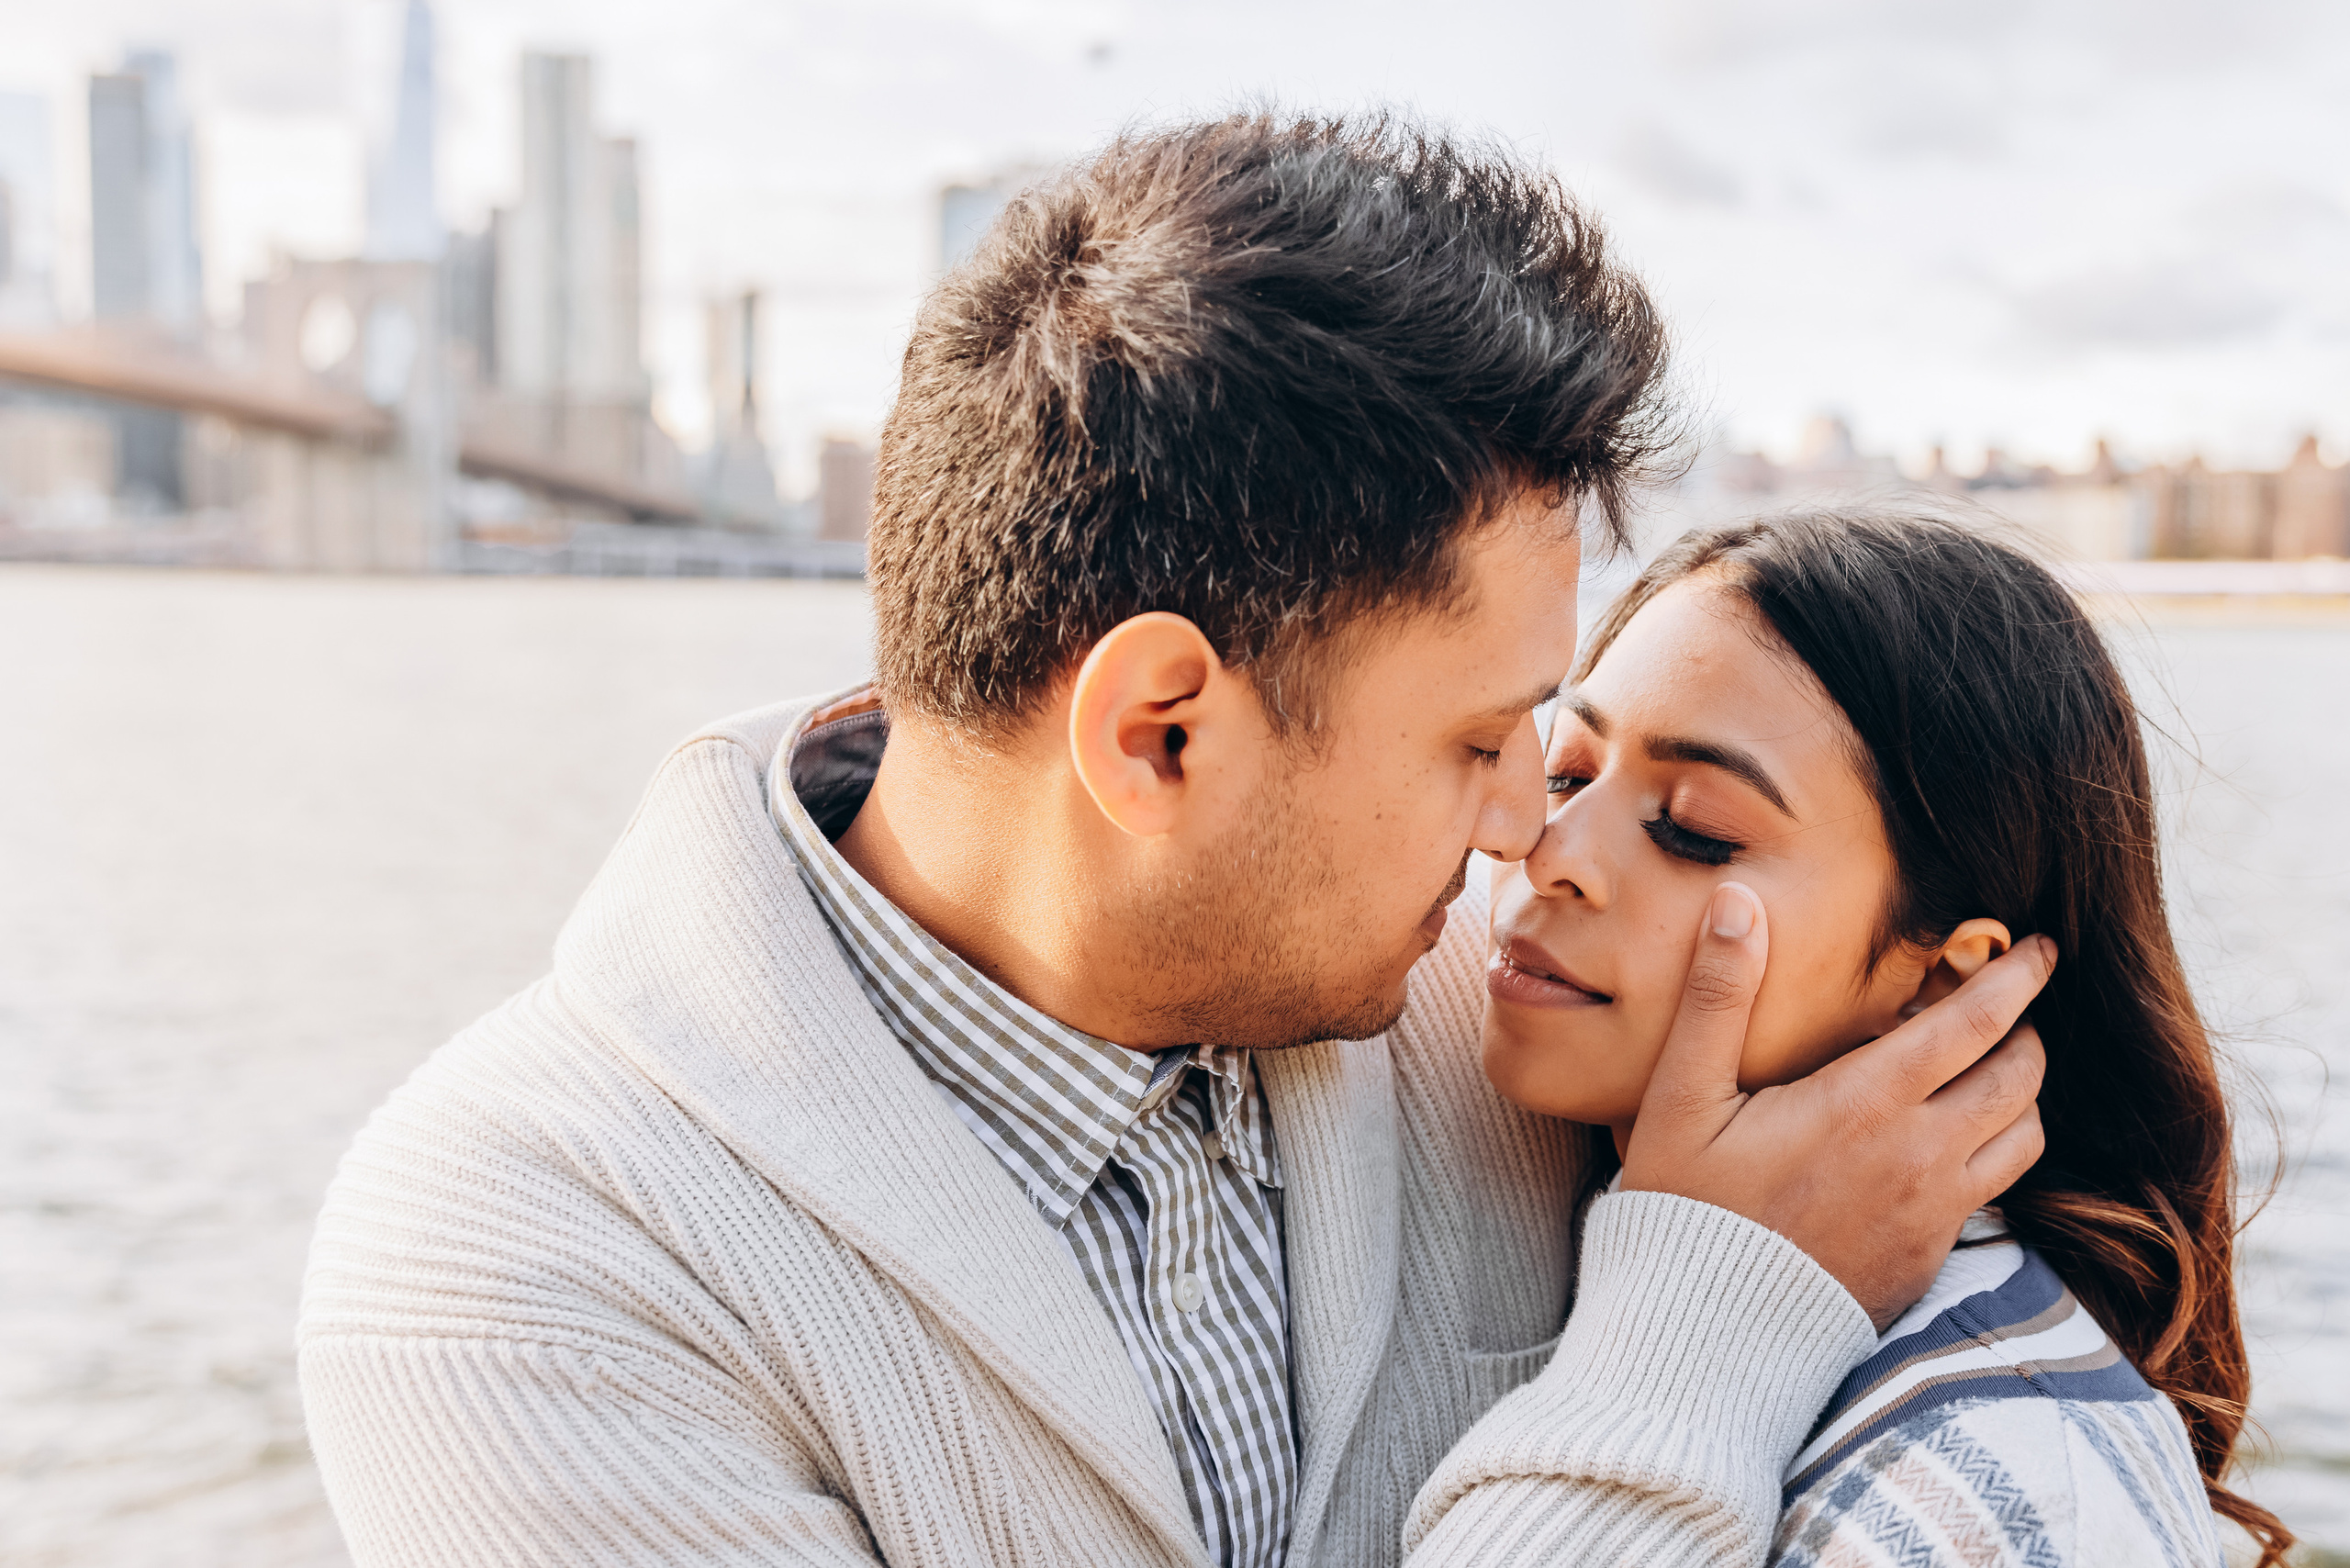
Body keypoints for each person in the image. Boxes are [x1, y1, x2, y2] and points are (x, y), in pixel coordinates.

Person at [298, 115, 2050, 1567]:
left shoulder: (1505, 1009)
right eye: (1473, 740)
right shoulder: (517, 1282)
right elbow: (1731, 1289)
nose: (1530, 823)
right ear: (1160, 731)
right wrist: (1708, 1328)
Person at [1472, 509, 2293, 1567]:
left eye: (1694, 831)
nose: (1549, 853)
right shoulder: (1532, 1179)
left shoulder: (2004, 1498)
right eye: (1567, 773)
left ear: (1942, 980)